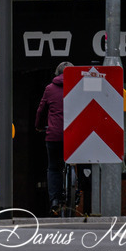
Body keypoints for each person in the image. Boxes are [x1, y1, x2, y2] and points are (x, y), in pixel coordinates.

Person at [35, 61, 71, 212]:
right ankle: (80, 187)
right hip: (75, 136)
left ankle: (55, 199)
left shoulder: (50, 89)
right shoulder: (79, 88)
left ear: (56, 74)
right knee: (82, 161)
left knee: (54, 168)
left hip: (54, 135)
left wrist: (38, 126)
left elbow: (41, 111)